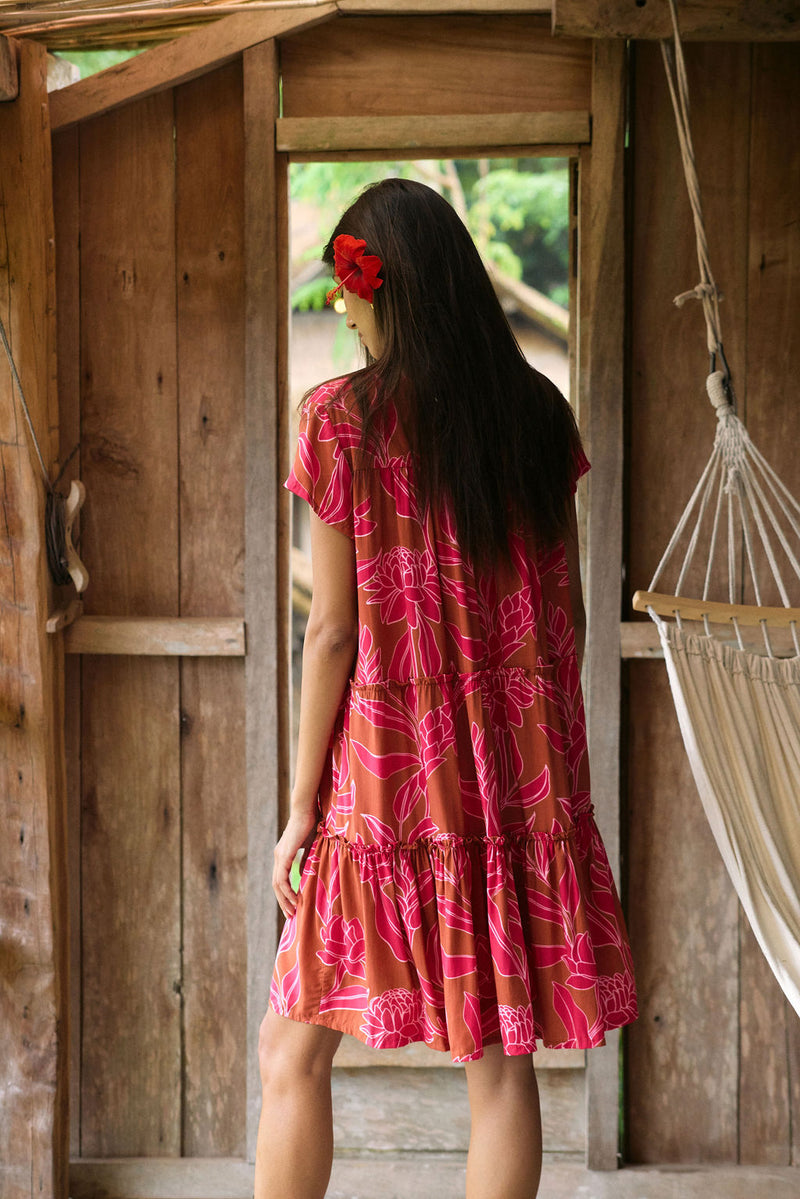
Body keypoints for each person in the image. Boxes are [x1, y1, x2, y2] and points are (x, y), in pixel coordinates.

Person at [255, 178, 637, 1199]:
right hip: (515, 780)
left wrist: (298, 812)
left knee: (289, 1052)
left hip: (383, 786)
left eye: (348, 288)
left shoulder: (336, 419)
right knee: (503, 1069)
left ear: (387, 291)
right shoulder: (536, 415)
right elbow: (569, 615)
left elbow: (332, 629)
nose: (341, 308)